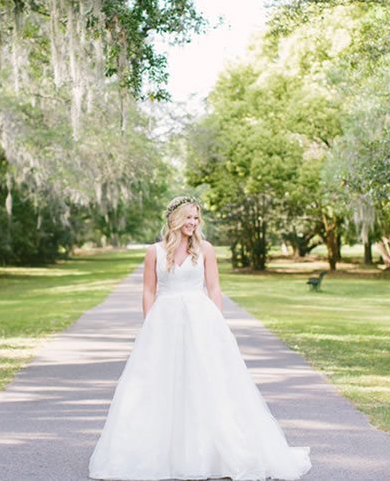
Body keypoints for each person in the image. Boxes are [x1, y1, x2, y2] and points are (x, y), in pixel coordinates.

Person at [89, 195, 312, 480]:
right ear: (174, 219)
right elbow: (148, 290)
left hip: (201, 319)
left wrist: (217, 323)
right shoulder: (154, 252)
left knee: (207, 381)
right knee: (159, 384)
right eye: (188, 217)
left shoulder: (205, 249)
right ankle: (159, 454)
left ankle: (215, 452)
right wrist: (149, 326)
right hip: (164, 321)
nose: (193, 223)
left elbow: (214, 288)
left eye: (196, 218)